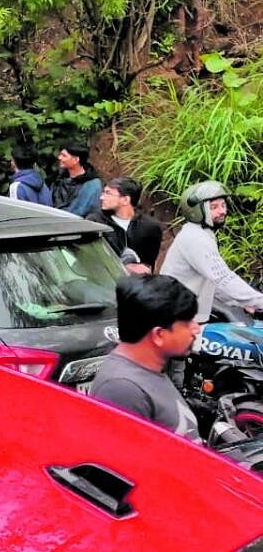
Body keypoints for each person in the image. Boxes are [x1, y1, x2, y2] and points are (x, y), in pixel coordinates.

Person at [88, 274, 201, 441]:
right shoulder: (122, 389)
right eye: (187, 323)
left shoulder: (149, 370)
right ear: (158, 335)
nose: (196, 329)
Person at [161, 181, 263, 323]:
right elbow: (223, 278)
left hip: (185, 318)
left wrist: (245, 302)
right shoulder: (196, 238)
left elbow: (212, 282)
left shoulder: (203, 233)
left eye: (223, 205)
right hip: (177, 321)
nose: (222, 211)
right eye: (214, 207)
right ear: (197, 211)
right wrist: (259, 301)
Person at [87, 177, 163, 273]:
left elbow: (149, 263)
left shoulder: (150, 227)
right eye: (103, 192)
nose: (101, 197)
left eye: (108, 193)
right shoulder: (95, 222)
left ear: (125, 200)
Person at [52, 144, 101, 216]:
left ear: (76, 160)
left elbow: (81, 210)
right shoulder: (58, 177)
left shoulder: (92, 185)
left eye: (64, 155)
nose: (59, 158)